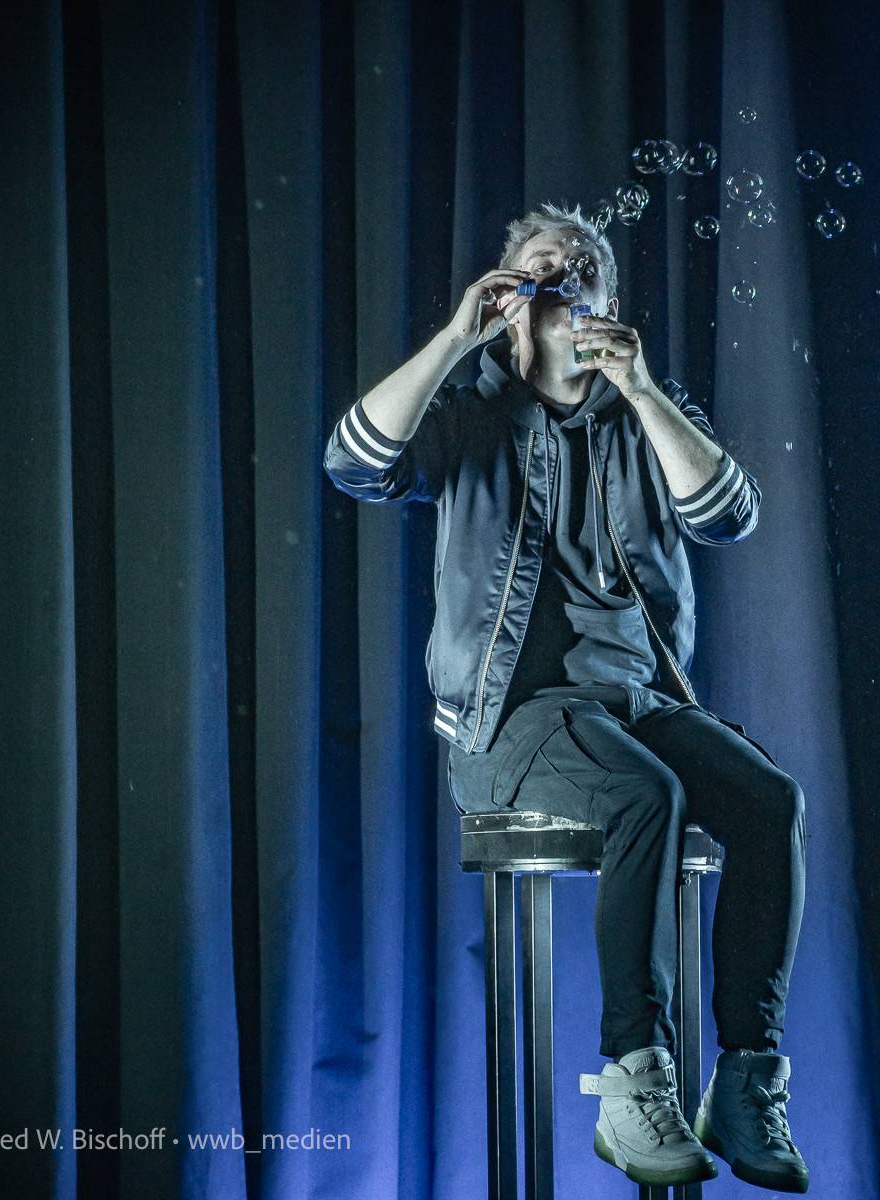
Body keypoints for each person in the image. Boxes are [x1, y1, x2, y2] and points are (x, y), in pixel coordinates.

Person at [323, 203, 809, 1192]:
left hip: (636, 703)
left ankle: (744, 1080)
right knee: (646, 797)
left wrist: (643, 390)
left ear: (607, 302)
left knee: (770, 801)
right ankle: (635, 1075)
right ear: (511, 298)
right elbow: (353, 464)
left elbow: (728, 517)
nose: (562, 271)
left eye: (583, 264)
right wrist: (455, 338)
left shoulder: (643, 415)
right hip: (513, 717)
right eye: (541, 263)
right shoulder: (469, 415)